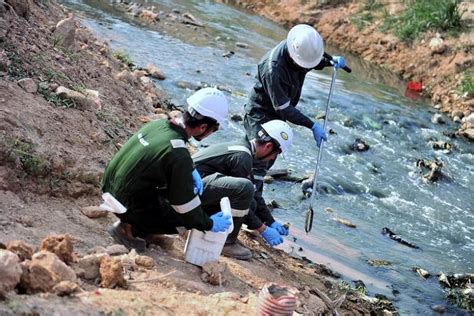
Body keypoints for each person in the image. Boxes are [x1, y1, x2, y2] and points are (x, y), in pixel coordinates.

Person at [101, 87, 232, 251]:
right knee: (184, 220)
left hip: (109, 188)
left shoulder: (159, 125)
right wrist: (209, 223)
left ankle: (137, 225)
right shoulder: (178, 153)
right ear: (203, 127)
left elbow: (163, 153)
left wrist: (190, 168)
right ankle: (128, 231)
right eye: (215, 129)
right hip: (123, 202)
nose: (212, 132)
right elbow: (185, 206)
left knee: (165, 193)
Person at [192, 120, 294, 260]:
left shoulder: (244, 147)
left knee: (251, 201)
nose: (272, 158)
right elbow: (244, 191)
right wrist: (263, 229)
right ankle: (227, 242)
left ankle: (219, 232)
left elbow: (254, 194)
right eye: (275, 154)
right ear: (268, 146)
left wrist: (270, 221)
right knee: (244, 191)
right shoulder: (243, 157)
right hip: (190, 191)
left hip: (199, 187)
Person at [243, 24, 346, 147]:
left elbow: (310, 61)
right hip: (261, 115)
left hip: (278, 114)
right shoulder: (273, 70)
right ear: (295, 57)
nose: (306, 67)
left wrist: (328, 61)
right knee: (260, 154)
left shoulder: (299, 48)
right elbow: (284, 108)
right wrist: (312, 125)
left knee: (270, 153)